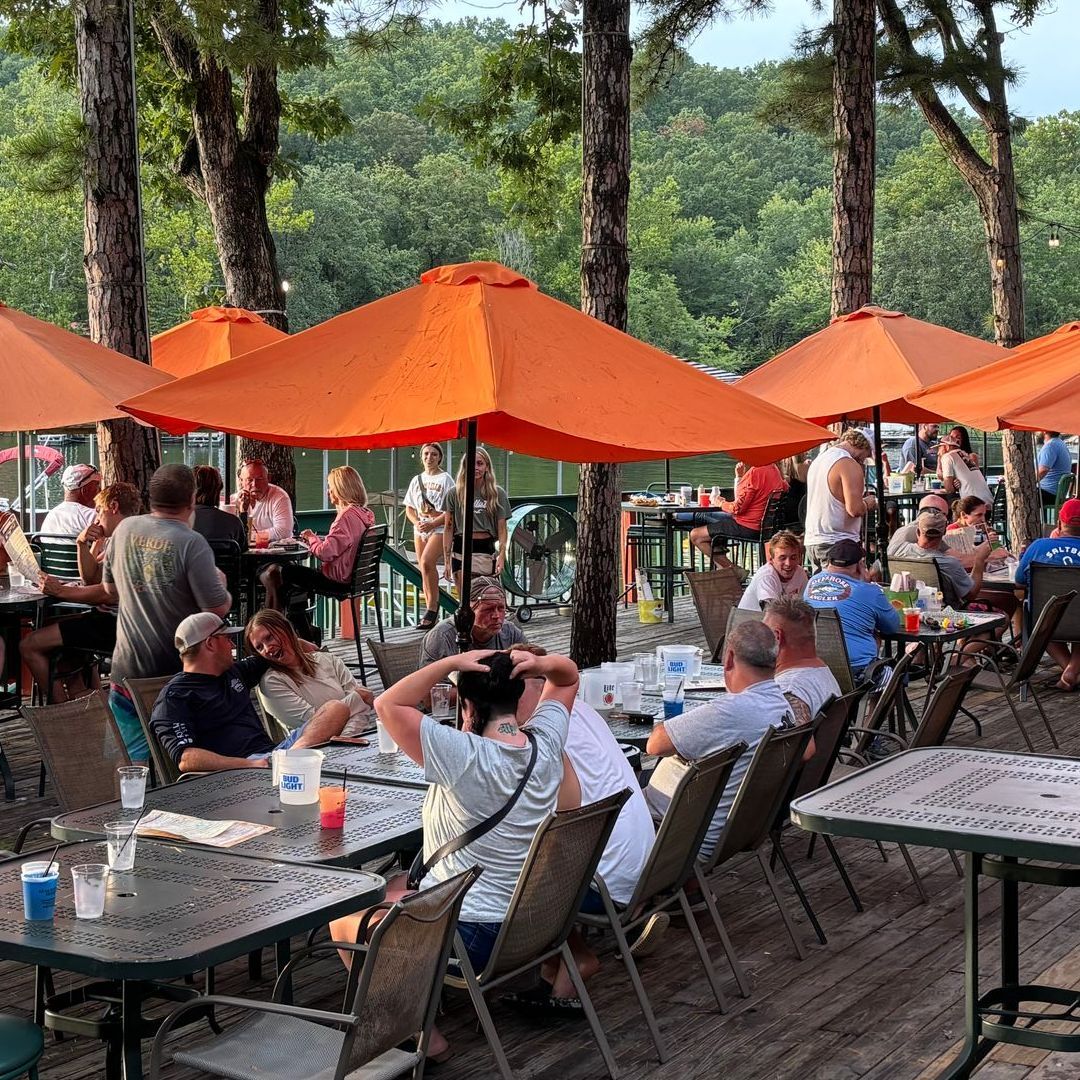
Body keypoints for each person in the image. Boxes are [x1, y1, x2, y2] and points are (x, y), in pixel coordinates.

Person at [329, 648, 579, 1057]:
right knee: (394, 886)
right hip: (530, 923)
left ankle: (418, 1034)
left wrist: (448, 665)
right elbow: (567, 677)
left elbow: (387, 702)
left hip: (474, 935)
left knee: (345, 917)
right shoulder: (546, 743)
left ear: (467, 705)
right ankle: (419, 1007)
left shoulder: (462, 755)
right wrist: (538, 665)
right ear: (518, 700)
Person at [103, 464, 232, 762]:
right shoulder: (191, 542)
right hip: (176, 677)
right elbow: (215, 610)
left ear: (151, 498)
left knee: (126, 766)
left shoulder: (124, 528)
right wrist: (221, 585)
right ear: (192, 498)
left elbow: (110, 590)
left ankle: (124, 809)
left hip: (127, 669)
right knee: (184, 763)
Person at [644, 621, 794, 860]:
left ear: (730, 658)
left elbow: (655, 745)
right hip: (732, 830)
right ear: (774, 661)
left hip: (675, 833)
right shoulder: (781, 706)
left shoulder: (730, 711)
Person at [150, 612, 349, 772]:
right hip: (240, 771)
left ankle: (289, 763)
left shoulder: (234, 672)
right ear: (210, 643)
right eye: (227, 638)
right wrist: (249, 765)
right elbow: (187, 759)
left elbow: (293, 646)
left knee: (335, 709)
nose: (233, 645)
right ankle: (289, 765)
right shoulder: (175, 697)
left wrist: (303, 645)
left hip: (274, 755)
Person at [21, 482, 141, 701]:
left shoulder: (125, 540)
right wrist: (82, 543)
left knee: (29, 645)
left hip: (117, 625)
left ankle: (62, 714)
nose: (96, 517)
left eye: (99, 511)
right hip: (120, 621)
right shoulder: (127, 536)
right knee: (53, 629)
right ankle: (88, 697)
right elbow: (91, 579)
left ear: (113, 506)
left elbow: (109, 594)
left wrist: (60, 591)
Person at [260, 465, 375, 639]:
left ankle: (279, 632)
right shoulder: (364, 515)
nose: (328, 492)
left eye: (331, 487)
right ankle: (305, 632)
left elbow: (325, 553)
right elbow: (339, 545)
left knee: (283, 571)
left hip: (336, 580)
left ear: (341, 489)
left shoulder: (346, 517)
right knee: (291, 585)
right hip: (355, 579)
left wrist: (311, 537)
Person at [246, 608, 375, 730]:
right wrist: (357, 700)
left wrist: (349, 736)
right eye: (260, 648)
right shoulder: (272, 682)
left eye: (269, 638)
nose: (267, 648)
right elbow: (315, 723)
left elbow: (363, 708)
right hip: (315, 750)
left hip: (357, 738)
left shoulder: (328, 660)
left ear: (287, 629)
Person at [803, 540, 900, 679]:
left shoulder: (812, 582)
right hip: (857, 670)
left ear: (829, 562)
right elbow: (892, 627)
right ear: (860, 565)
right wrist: (867, 583)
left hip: (817, 667)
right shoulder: (869, 591)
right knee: (893, 674)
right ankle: (877, 701)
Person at [1015, 498, 1080, 690]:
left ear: (1059, 523)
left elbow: (1019, 582)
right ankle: (1072, 670)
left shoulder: (1037, 547)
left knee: (1044, 618)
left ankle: (1069, 670)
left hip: (1044, 622)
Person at [763, 595, 842, 727]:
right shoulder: (820, 670)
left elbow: (799, 747)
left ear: (777, 637)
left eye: (764, 632)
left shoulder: (788, 688)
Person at [689, 459, 787, 565]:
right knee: (710, 520)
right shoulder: (774, 470)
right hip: (766, 528)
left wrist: (720, 503)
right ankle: (724, 566)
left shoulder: (756, 473)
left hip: (748, 526)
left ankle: (732, 570)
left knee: (696, 535)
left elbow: (737, 508)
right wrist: (739, 477)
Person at [803, 430, 877, 566]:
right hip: (838, 542)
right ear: (863, 446)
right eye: (865, 456)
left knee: (821, 586)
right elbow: (855, 510)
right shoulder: (848, 464)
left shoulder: (820, 459)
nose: (862, 460)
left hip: (814, 539)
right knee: (843, 586)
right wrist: (868, 503)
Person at [442, 447, 510, 592]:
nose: (475, 468)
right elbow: (448, 528)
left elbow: (502, 528)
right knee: (465, 601)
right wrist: (446, 561)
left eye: (480, 463)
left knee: (485, 597)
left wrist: (502, 556)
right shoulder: (454, 493)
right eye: (471, 464)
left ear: (487, 467)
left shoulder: (497, 493)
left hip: (486, 548)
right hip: (461, 547)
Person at [889, 513, 992, 608]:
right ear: (943, 534)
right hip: (946, 615)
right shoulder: (949, 563)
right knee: (1003, 616)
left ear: (918, 532)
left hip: (908, 608)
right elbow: (970, 595)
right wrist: (979, 560)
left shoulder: (899, 549)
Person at [404, 443, 454, 631]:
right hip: (421, 527)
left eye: (434, 454)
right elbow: (409, 507)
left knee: (426, 562)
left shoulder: (446, 479)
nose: (429, 457)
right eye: (426, 454)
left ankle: (433, 608)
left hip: (439, 527)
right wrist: (416, 522)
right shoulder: (417, 480)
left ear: (440, 457)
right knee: (423, 569)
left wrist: (434, 523)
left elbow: (451, 509)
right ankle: (429, 609)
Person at [420, 575, 524, 665]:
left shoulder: (511, 632)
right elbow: (431, 686)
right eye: (488, 609)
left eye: (501, 608)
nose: (496, 615)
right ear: (468, 610)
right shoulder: (442, 636)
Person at [737, 530, 808, 612]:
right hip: (750, 622)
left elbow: (806, 607)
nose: (788, 563)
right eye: (782, 558)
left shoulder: (800, 573)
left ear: (800, 558)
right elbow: (771, 614)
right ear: (771, 559)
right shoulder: (767, 576)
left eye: (793, 557)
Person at [232, 459, 294, 542]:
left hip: (274, 552)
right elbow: (227, 531)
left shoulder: (279, 497)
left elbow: (284, 532)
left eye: (259, 479)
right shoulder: (233, 501)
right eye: (249, 480)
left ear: (268, 478)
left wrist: (249, 536)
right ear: (241, 481)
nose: (255, 484)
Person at [39, 464, 101, 539]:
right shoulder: (92, 516)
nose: (100, 490)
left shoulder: (51, 515)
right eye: (97, 485)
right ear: (85, 490)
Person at [192, 465, 246, 547]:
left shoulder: (181, 521)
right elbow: (243, 552)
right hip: (224, 560)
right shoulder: (234, 522)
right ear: (218, 490)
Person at [938, 428, 992, 504]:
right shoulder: (964, 455)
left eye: (940, 447)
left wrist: (952, 484)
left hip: (975, 506)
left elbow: (949, 489)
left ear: (946, 447)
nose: (939, 450)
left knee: (948, 504)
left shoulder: (948, 456)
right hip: (987, 502)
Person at [1037, 431, 1073, 506]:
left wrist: (1028, 483)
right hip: (1058, 493)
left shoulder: (1050, 446)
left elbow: (1043, 470)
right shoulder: (1060, 443)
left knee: (1008, 494)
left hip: (1048, 493)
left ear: (1044, 431)